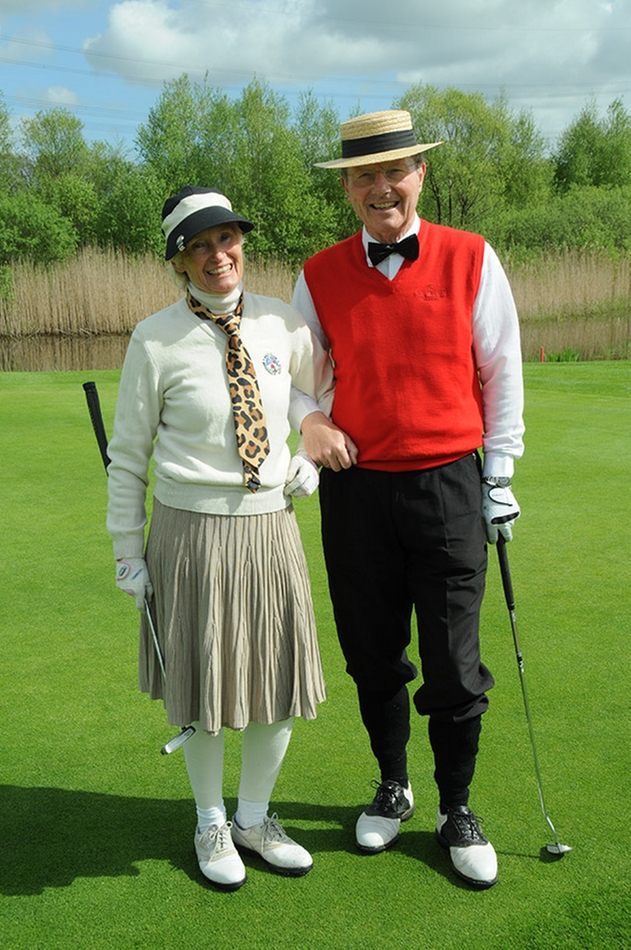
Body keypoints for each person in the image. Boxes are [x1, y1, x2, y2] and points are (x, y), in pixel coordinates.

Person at [293, 110, 524, 889]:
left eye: (394, 171)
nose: (380, 188)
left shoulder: (469, 256)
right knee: (371, 653)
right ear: (347, 189)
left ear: (419, 175)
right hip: (355, 490)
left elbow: (500, 368)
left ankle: (456, 807)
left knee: (453, 663)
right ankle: (392, 785)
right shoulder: (318, 274)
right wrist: (310, 420)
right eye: (364, 176)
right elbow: (294, 379)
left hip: (448, 485)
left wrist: (499, 476)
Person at [106, 186, 337, 892]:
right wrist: (127, 551)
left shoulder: (281, 322)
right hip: (190, 536)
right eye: (199, 245)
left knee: (277, 684)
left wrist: (311, 455)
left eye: (227, 238)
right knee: (204, 688)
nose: (218, 255)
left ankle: (254, 819)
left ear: (242, 243)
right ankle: (210, 822)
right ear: (178, 262)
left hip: (271, 528)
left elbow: (320, 395)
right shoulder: (154, 338)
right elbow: (128, 456)